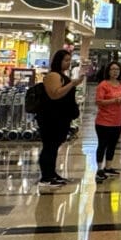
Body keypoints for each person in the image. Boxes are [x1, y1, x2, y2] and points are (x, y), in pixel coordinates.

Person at [33, 51, 80, 189]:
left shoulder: (63, 76)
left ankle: (52, 173)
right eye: (65, 60)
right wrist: (72, 84)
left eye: (69, 60)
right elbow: (54, 94)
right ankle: (46, 177)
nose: (68, 63)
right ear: (58, 60)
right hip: (50, 117)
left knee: (54, 146)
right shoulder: (53, 75)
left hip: (61, 116)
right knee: (49, 146)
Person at [93, 61, 121, 184]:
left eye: (117, 70)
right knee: (102, 145)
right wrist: (115, 100)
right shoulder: (103, 85)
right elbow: (98, 101)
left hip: (117, 120)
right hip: (104, 121)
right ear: (108, 71)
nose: (115, 72)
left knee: (112, 145)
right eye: (113, 69)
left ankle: (108, 167)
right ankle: (99, 169)